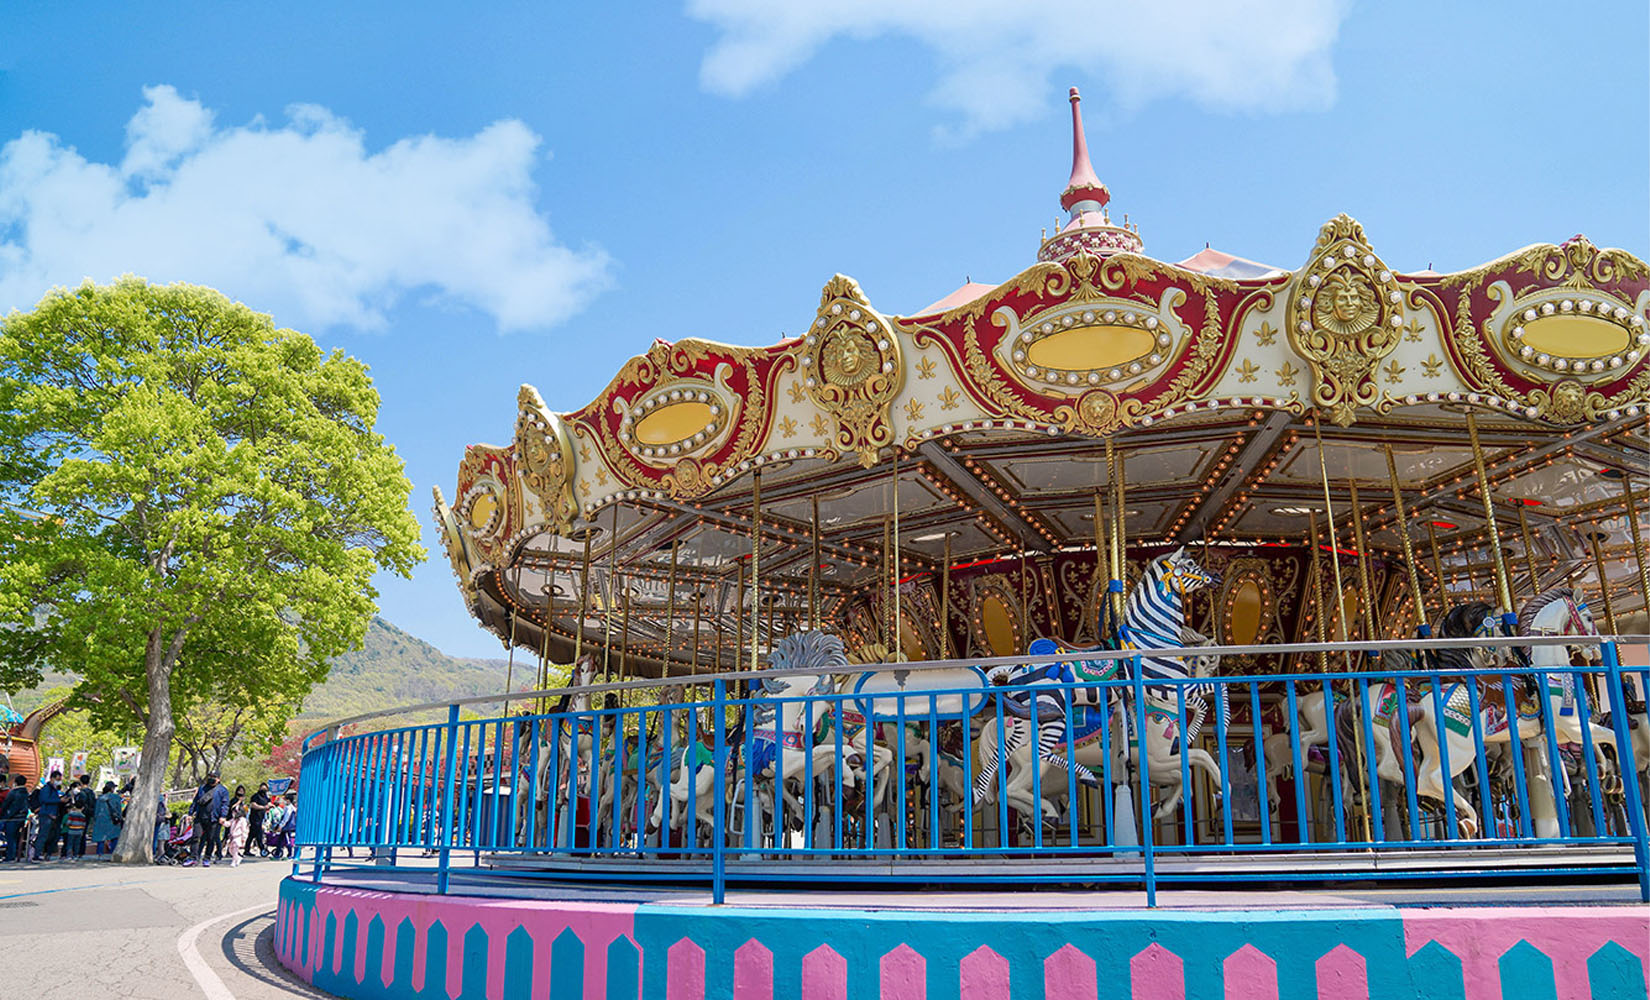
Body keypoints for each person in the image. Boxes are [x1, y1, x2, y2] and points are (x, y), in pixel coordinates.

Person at [188, 773, 229, 866]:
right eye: (210, 777)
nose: (211, 779)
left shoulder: (222, 790)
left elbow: (225, 804)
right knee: (195, 837)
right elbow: (195, 801)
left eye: (214, 777)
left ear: (218, 779)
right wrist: (190, 813)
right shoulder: (202, 788)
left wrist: (223, 816)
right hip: (200, 817)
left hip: (213, 818)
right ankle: (193, 857)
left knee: (211, 839)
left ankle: (207, 858)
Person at [30, 771, 63, 862]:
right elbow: (44, 799)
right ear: (52, 778)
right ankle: (37, 854)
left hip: (53, 814)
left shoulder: (54, 789)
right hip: (46, 814)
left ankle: (45, 853)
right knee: (43, 835)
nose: (58, 781)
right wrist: (59, 800)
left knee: (52, 836)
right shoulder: (46, 788)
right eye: (57, 779)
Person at [90, 781, 123, 857]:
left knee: (100, 838)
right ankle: (112, 854)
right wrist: (120, 818)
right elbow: (119, 810)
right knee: (114, 837)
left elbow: (96, 811)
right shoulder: (116, 798)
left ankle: (99, 854)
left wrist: (95, 820)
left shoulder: (100, 798)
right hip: (113, 820)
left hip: (101, 820)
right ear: (112, 789)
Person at [0, 775, 27, 862]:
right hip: (22, 817)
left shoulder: (13, 793)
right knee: (16, 836)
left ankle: (10, 855)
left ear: (15, 782)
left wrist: (4, 815)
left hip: (12, 817)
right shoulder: (26, 793)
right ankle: (16, 854)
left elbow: (5, 805)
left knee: (10, 837)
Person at [70, 774, 96, 858]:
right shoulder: (91, 792)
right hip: (88, 814)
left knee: (77, 833)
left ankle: (76, 851)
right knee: (84, 833)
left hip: (80, 814)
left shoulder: (81, 793)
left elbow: (79, 803)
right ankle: (82, 851)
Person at [226, 794, 250, 867]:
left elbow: (244, 830)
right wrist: (223, 822)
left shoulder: (242, 820)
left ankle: (234, 861)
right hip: (232, 836)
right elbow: (228, 824)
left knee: (235, 848)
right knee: (231, 849)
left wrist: (244, 838)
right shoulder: (233, 820)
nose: (234, 814)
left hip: (238, 836)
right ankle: (238, 858)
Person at [247, 782, 271, 856]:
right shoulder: (255, 796)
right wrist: (263, 807)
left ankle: (246, 850)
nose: (263, 790)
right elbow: (253, 805)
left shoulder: (266, 797)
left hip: (262, 818)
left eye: (265, 788)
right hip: (255, 818)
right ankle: (262, 849)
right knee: (259, 834)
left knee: (252, 835)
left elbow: (268, 804)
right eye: (262, 788)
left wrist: (270, 806)